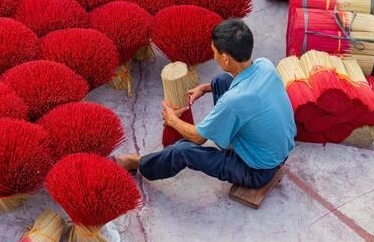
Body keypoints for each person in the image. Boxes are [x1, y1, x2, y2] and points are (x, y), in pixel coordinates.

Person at [116, 19, 296, 189]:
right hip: (279, 150)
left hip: (257, 171)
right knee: (221, 80)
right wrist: (205, 88)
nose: (213, 56)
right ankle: (226, 130)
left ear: (225, 58)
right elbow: (242, 87)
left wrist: (171, 120)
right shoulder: (265, 65)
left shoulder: (233, 101)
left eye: (214, 52)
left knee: (183, 150)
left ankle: (138, 162)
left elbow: (198, 138)